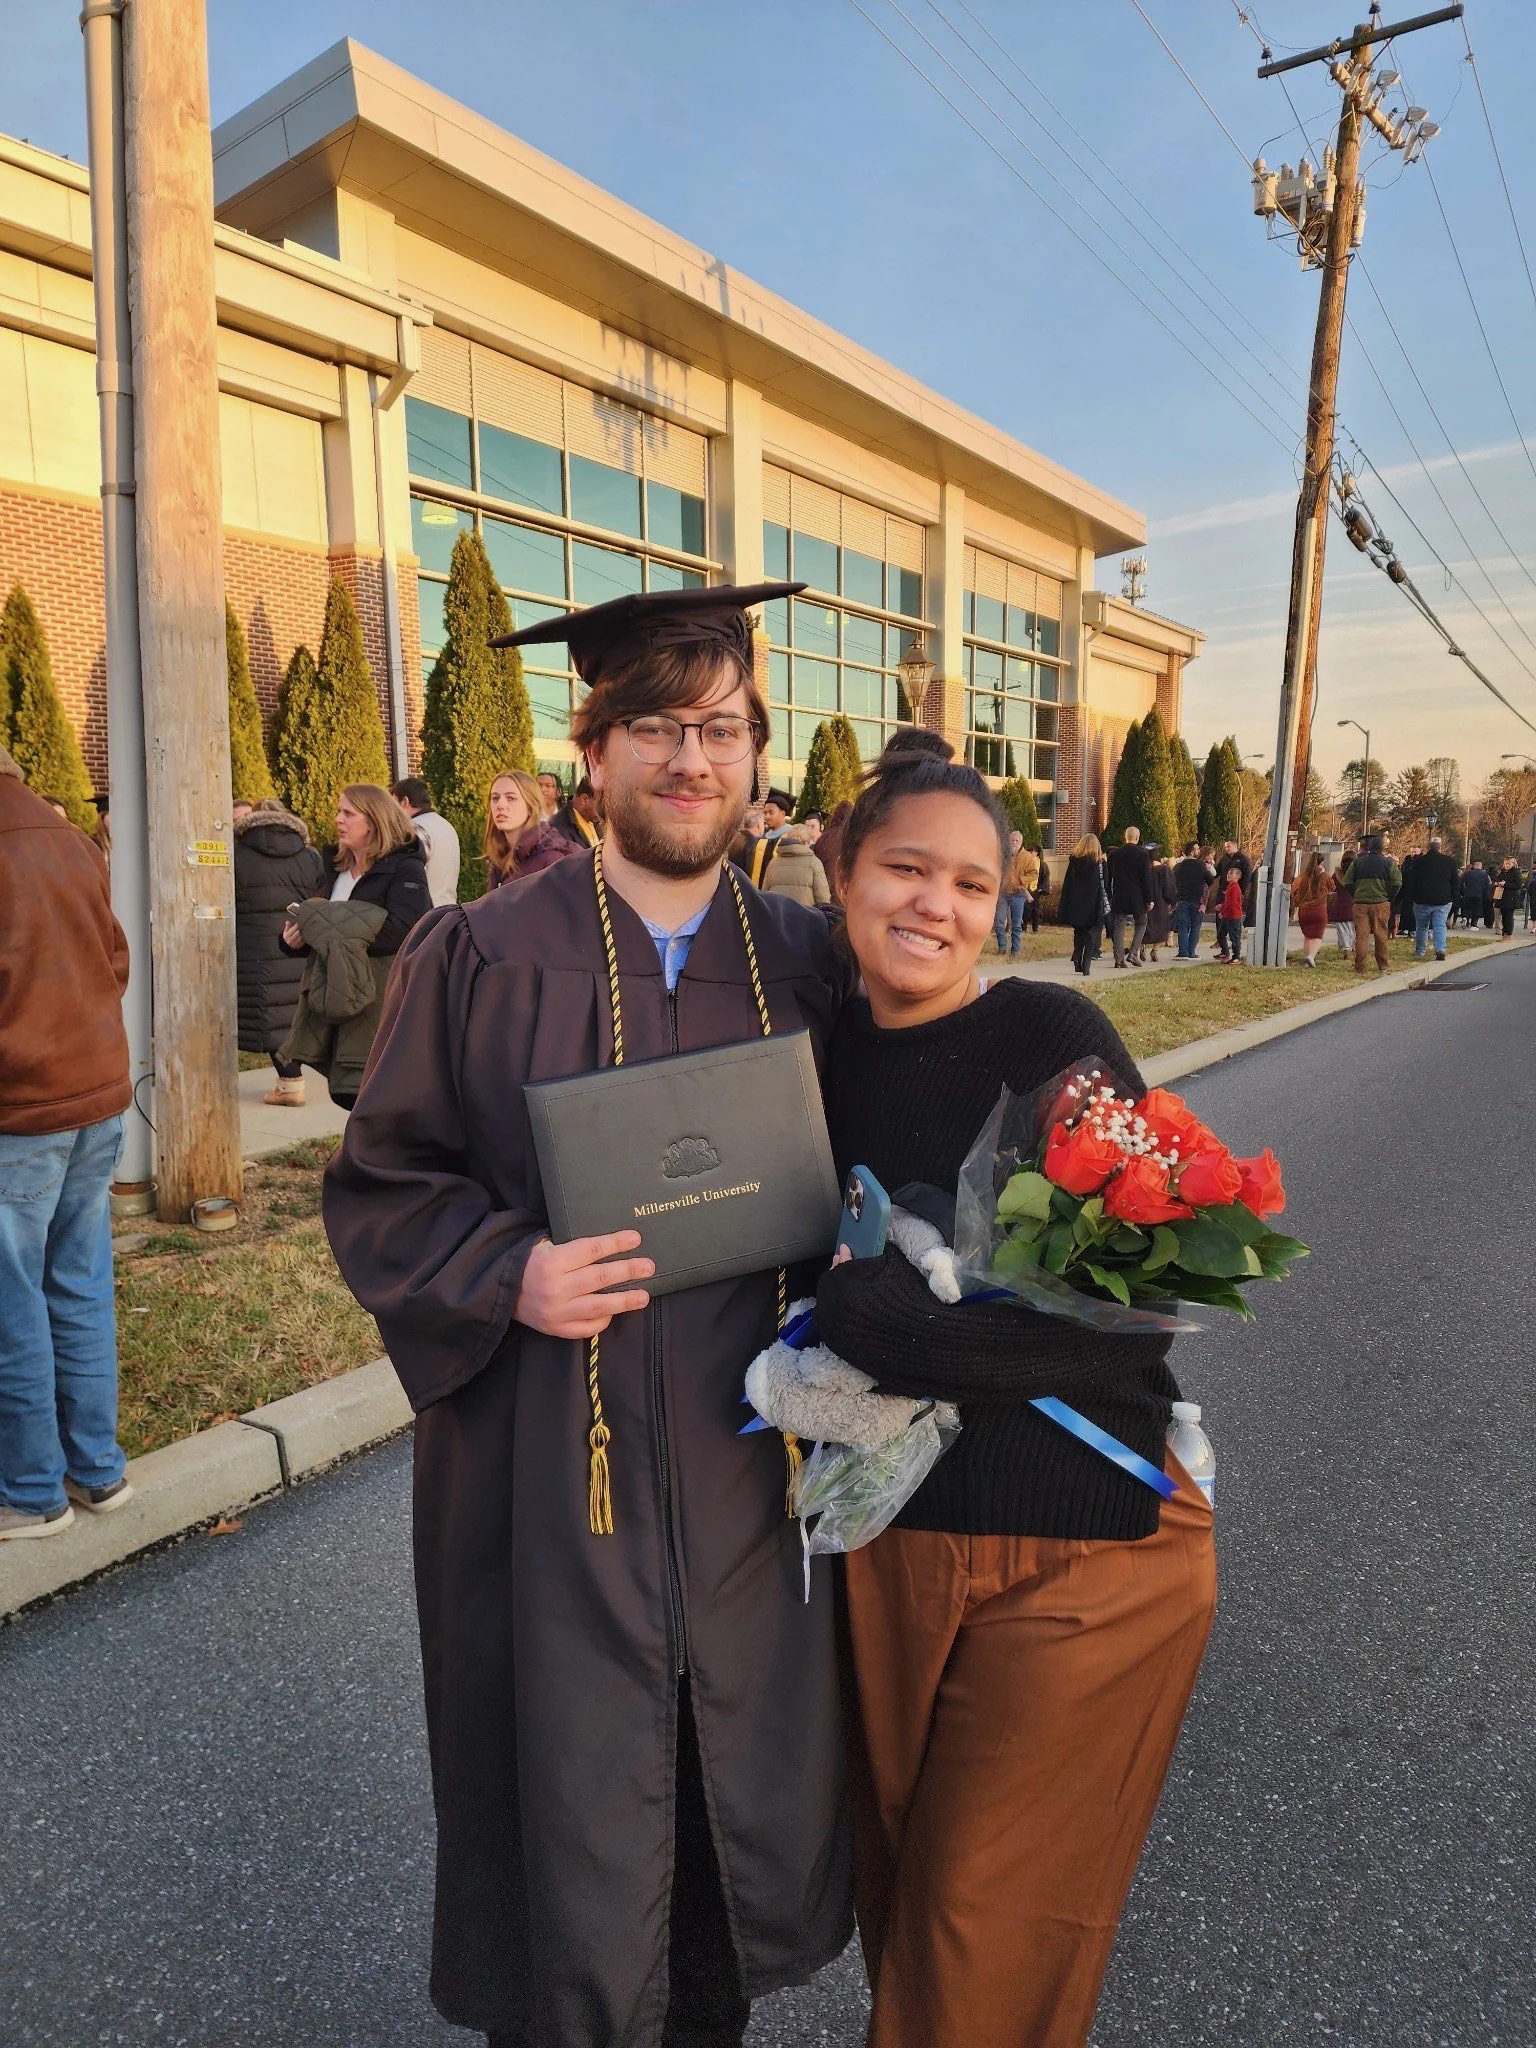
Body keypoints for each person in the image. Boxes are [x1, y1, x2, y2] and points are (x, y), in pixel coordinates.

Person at [322, 583, 854, 2048]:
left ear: (757, 755)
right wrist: (510, 1271)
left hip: (756, 1481)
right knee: (570, 1841)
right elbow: (382, 1184)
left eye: (726, 730)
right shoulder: (482, 953)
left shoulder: (803, 961)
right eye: (660, 729)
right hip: (555, 1482)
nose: (696, 761)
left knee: (720, 1821)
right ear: (594, 748)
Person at [810, 732, 1214, 2048]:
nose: (936, 904)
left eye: (971, 885)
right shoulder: (799, 1058)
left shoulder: (1051, 1035)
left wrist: (872, 1317)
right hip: (887, 1548)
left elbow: (1132, 1307)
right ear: (843, 871)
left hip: (1084, 1553)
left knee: (982, 1941)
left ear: (1003, 902)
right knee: (908, 1907)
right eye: (906, 868)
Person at [0, 745, 134, 1539]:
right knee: (78, 1285)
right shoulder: (67, 838)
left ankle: (30, 1493)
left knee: (13, 1301)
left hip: (18, 1108)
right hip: (93, 1094)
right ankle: (96, 1472)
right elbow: (112, 962)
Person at [278, 784, 432, 1110]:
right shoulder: (336, 868)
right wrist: (294, 938)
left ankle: (370, 1156)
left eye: (348, 813)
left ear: (374, 821)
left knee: (369, 1093)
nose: (338, 820)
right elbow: (321, 921)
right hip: (336, 994)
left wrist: (332, 929)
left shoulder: (404, 866)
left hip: (378, 999)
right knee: (348, 1092)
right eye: (339, 812)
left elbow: (406, 928)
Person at [233, 797, 324, 1108]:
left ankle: (290, 1083)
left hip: (253, 949)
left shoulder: (237, 854)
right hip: (295, 941)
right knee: (289, 1011)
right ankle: (290, 1080)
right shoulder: (309, 856)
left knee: (265, 1013)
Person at [483, 769, 578, 890]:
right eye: (495, 798)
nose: (500, 805)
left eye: (511, 798)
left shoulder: (552, 859)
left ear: (530, 805)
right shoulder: (499, 855)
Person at [392, 777, 462, 908]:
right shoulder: (447, 826)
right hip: (448, 910)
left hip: (424, 914)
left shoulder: (413, 831)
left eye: (393, 803)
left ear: (405, 802)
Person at [1341, 833, 1400, 975]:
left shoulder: (1358, 862)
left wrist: (1355, 894)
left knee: (1361, 936)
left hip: (1360, 903)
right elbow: (1397, 883)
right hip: (1380, 903)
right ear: (1382, 849)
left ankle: (1360, 967)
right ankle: (1383, 966)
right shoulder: (1389, 863)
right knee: (1381, 935)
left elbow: (1347, 882)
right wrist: (1388, 897)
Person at [1058, 832, 1107, 977]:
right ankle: (1086, 965)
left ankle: (1077, 958)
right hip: (1093, 903)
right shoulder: (1100, 864)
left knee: (1079, 932)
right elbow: (1105, 885)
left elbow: (1068, 883)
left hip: (1076, 903)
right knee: (1092, 934)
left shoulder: (1074, 862)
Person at [1106, 824, 1155, 968]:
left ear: (1125, 837)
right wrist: (1149, 898)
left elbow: (1110, 877)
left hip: (1119, 894)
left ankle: (1119, 959)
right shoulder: (1142, 854)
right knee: (1141, 923)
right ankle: (1133, 952)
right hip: (1137, 896)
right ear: (1137, 838)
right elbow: (1146, 878)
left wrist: (1109, 894)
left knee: (1119, 926)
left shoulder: (1114, 854)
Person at [760, 820, 831, 906]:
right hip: (806, 917)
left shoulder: (773, 863)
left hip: (777, 916)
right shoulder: (814, 863)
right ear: (806, 842)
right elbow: (822, 898)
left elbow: (764, 896)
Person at [1411, 836, 1458, 961]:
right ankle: (1440, 949)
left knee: (1421, 926)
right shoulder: (1449, 861)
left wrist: (1413, 895)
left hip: (1422, 899)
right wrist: (1453, 896)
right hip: (1443, 899)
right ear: (1440, 847)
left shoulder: (1419, 861)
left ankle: (1420, 950)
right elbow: (1455, 881)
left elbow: (1411, 880)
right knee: (1439, 925)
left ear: (1428, 847)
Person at [992, 829, 1032, 958]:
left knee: (1016, 924)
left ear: (1021, 842)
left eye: (1017, 841)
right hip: (1003, 892)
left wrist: (1021, 881)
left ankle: (1015, 950)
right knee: (999, 921)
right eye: (1012, 840)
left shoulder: (1027, 857)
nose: (1014, 843)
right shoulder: (1002, 855)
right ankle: (1002, 947)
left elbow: (1033, 873)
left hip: (1018, 893)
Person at [1291, 848, 1334, 967]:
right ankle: (1311, 956)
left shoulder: (1303, 876)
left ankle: (1306, 959)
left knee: (1308, 936)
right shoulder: (1324, 876)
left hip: (1304, 910)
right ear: (1322, 863)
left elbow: (1293, 889)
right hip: (1319, 910)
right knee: (1317, 936)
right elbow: (1332, 888)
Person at [1172, 841, 1214, 959]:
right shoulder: (1200, 865)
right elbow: (1210, 880)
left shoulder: (1179, 866)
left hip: (1182, 898)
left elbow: (1173, 880)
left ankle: (1183, 952)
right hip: (1197, 900)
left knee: (1183, 927)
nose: (1199, 851)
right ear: (1192, 852)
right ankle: (1191, 952)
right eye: (1197, 849)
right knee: (1195, 927)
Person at [549, 772, 603, 849]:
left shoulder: (597, 821)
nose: (604, 809)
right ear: (584, 799)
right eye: (601, 803)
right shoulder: (558, 829)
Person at [1143, 847, 1177, 961]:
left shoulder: (1144, 870)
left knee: (1145, 925)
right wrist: (1172, 899)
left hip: (1145, 901)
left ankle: (1142, 946)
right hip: (1161, 902)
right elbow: (1169, 887)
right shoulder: (1163, 870)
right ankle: (1154, 950)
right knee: (1161, 928)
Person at [1215, 862, 1246, 964]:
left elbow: (1232, 903)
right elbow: (1228, 902)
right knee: (1221, 935)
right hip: (1228, 915)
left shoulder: (1235, 887)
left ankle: (1236, 957)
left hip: (1233, 916)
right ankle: (1225, 952)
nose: (1228, 874)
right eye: (1228, 873)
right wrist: (1222, 906)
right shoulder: (1230, 886)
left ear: (1238, 876)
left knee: (1234, 937)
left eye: (1231, 873)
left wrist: (1222, 912)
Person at [1492, 855, 1525, 939]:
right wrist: (1497, 883)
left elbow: (1518, 885)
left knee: (1508, 917)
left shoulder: (1516, 872)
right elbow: (1496, 879)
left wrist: (1505, 884)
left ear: (1513, 864)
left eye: (1509, 863)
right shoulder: (1503, 872)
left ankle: (1508, 934)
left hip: (1511, 898)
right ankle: (1504, 933)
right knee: (1503, 917)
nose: (1507, 865)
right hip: (1502, 897)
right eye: (1506, 863)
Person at [1331, 850, 1356, 953]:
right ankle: (1351, 946)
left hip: (1339, 905)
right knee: (1352, 928)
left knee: (1342, 929)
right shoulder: (1357, 874)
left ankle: (1345, 946)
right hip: (1354, 905)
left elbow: (1333, 889)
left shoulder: (1336, 875)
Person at [1028, 850, 1051, 932]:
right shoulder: (1025, 862)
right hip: (1025, 889)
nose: (1030, 853)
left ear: (1036, 853)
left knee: (1035, 909)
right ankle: (1023, 927)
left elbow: (1045, 876)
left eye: (1031, 852)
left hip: (1036, 889)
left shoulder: (1042, 864)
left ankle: (1035, 928)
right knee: (1024, 909)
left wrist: (1042, 888)